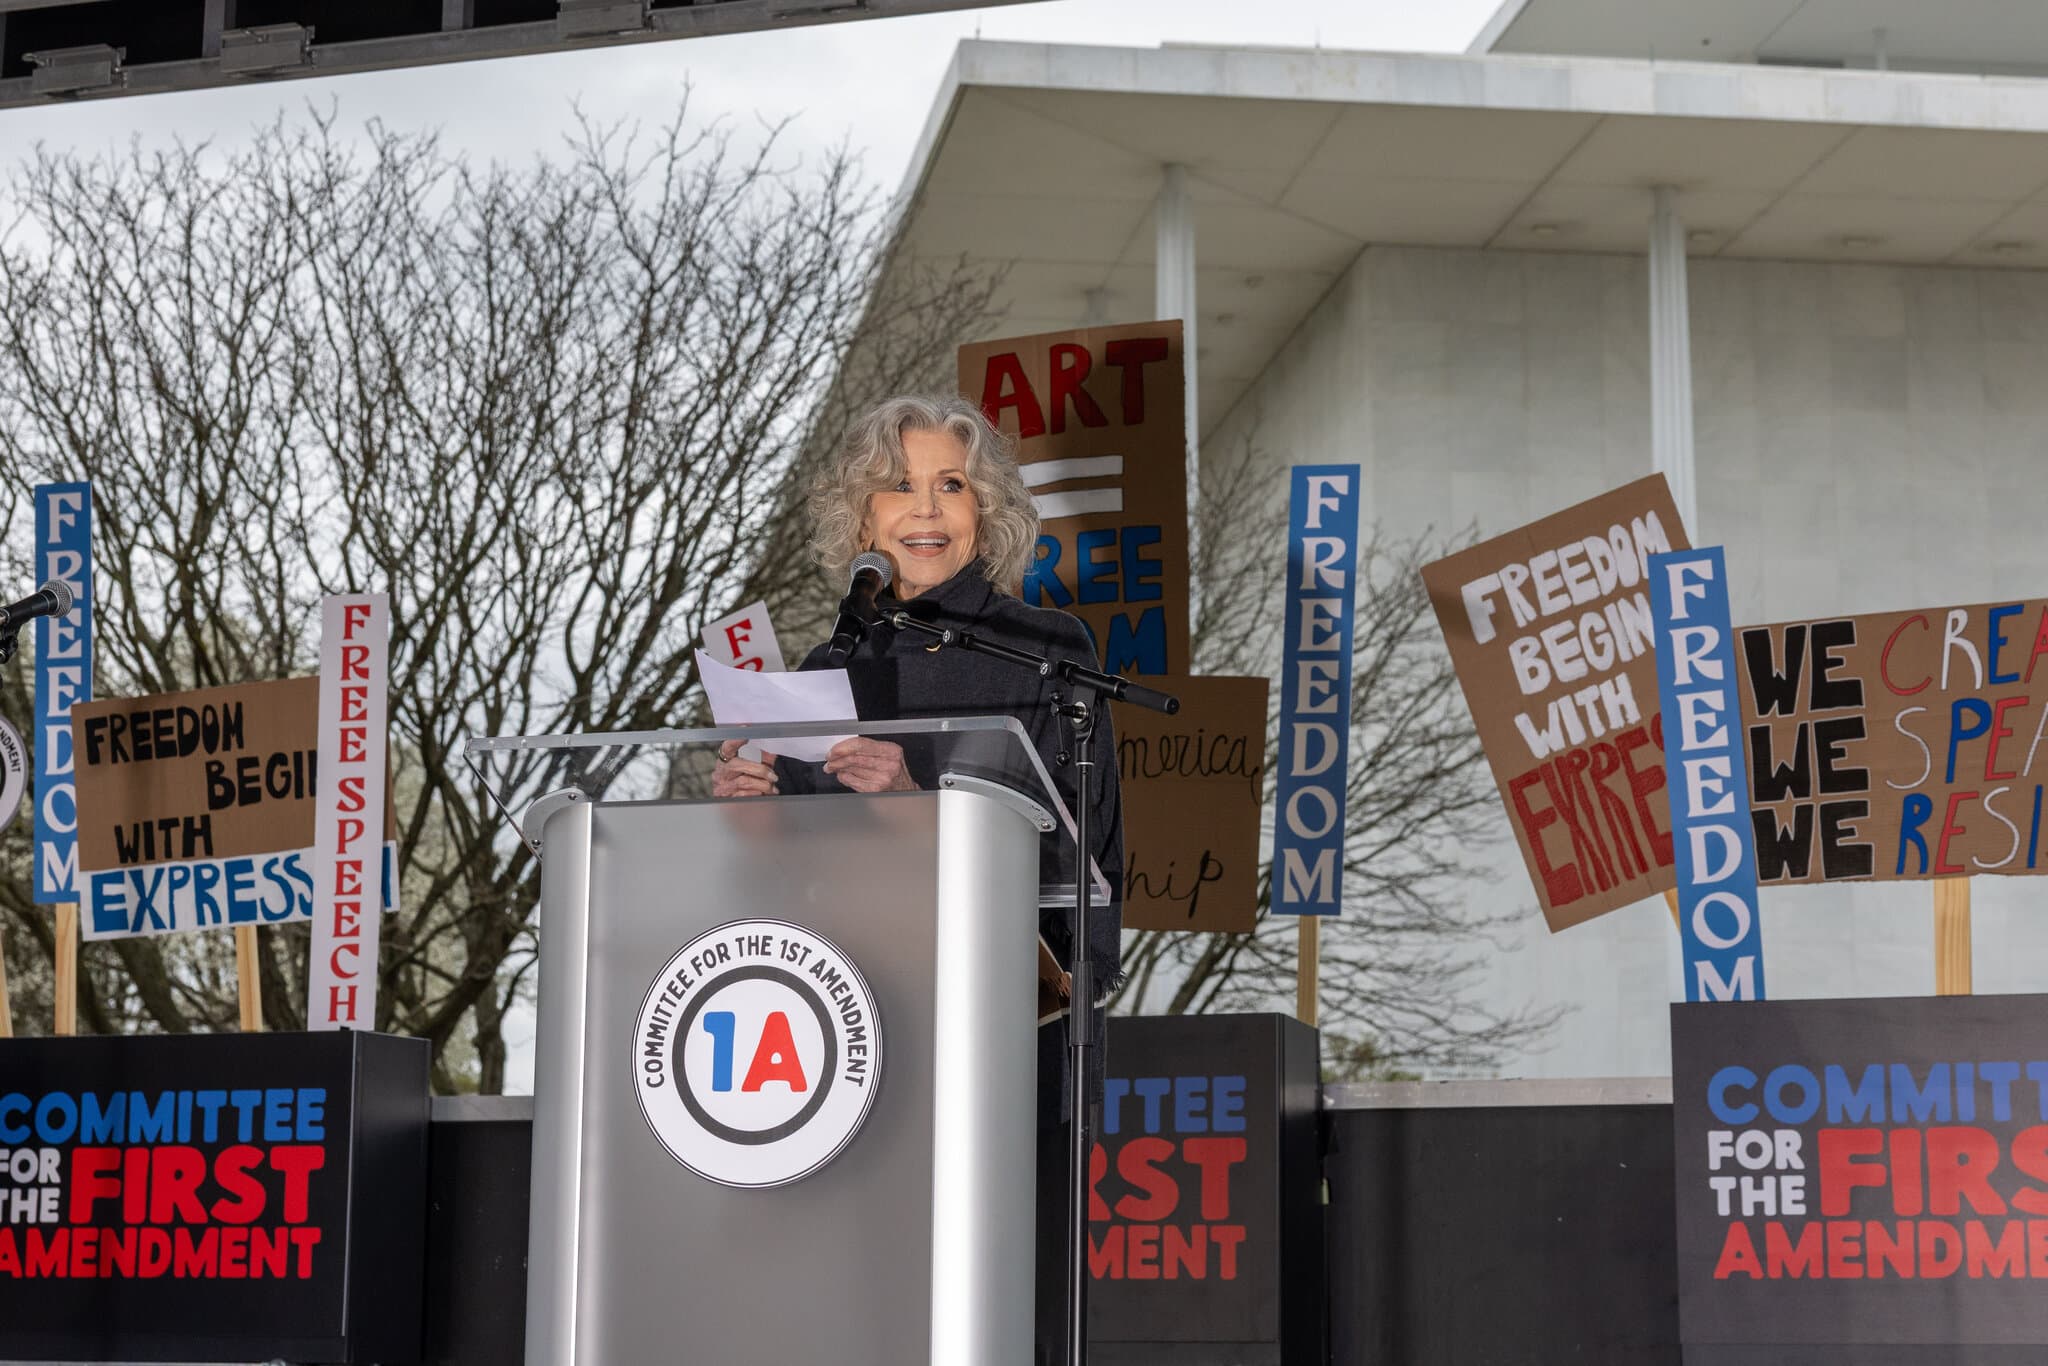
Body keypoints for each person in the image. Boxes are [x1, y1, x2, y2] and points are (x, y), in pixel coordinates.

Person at [711, 392, 1121, 1365]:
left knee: (998, 1311)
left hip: (1009, 1033)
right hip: (854, 1041)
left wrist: (916, 803)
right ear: (860, 519)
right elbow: (792, 893)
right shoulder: (821, 670)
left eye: (950, 485)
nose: (925, 508)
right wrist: (749, 815)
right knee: (865, 1313)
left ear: (985, 511)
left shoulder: (1051, 649)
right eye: (897, 487)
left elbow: (1080, 851)